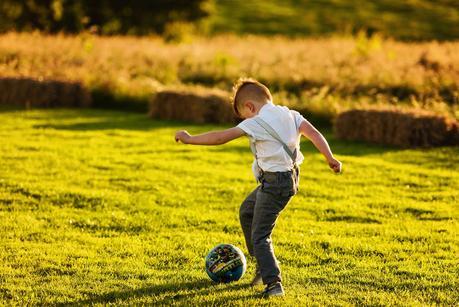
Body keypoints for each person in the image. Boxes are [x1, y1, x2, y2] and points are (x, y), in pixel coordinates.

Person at [175, 78, 342, 297]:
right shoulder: (291, 115)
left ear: (250, 107)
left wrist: (190, 139)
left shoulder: (256, 122)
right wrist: (330, 158)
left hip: (274, 184)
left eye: (244, 116)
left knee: (260, 236)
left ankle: (273, 284)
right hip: (286, 180)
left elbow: (219, 138)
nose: (245, 121)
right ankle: (263, 264)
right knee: (246, 211)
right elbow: (315, 134)